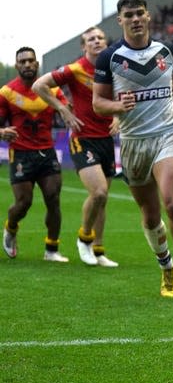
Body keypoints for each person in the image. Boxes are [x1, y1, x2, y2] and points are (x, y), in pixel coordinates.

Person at [92, 0, 173, 301]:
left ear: (148, 16)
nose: (136, 19)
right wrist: (116, 105)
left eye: (140, 13)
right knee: (151, 215)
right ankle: (165, 266)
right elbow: (98, 104)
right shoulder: (109, 58)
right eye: (129, 15)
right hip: (132, 142)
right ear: (120, 21)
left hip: (167, 133)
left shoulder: (167, 50)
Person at [33, 26, 119, 267]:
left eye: (100, 37)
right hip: (83, 138)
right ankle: (84, 239)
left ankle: (99, 251)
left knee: (103, 199)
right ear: (84, 47)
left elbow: (122, 96)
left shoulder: (114, 68)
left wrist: (118, 118)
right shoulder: (76, 68)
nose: (97, 41)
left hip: (106, 140)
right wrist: (61, 108)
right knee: (99, 192)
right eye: (91, 39)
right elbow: (39, 85)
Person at [0, 47, 69, 262]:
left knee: (53, 198)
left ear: (37, 64)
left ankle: (51, 249)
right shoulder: (7, 93)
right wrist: (2, 132)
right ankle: (11, 229)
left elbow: (68, 111)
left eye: (31, 61)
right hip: (20, 154)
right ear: (17, 65)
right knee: (23, 203)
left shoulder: (52, 91)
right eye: (23, 61)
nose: (27, 64)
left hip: (47, 152)